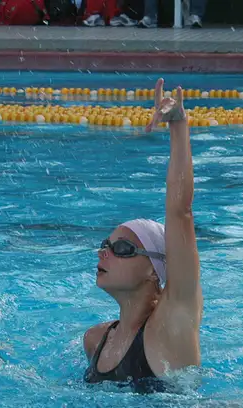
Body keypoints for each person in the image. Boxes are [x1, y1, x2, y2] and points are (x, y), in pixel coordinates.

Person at [84, 78, 202, 388]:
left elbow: (181, 212)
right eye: (104, 245)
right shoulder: (95, 341)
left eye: (121, 248)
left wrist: (178, 127)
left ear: (154, 268)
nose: (103, 252)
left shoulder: (171, 325)